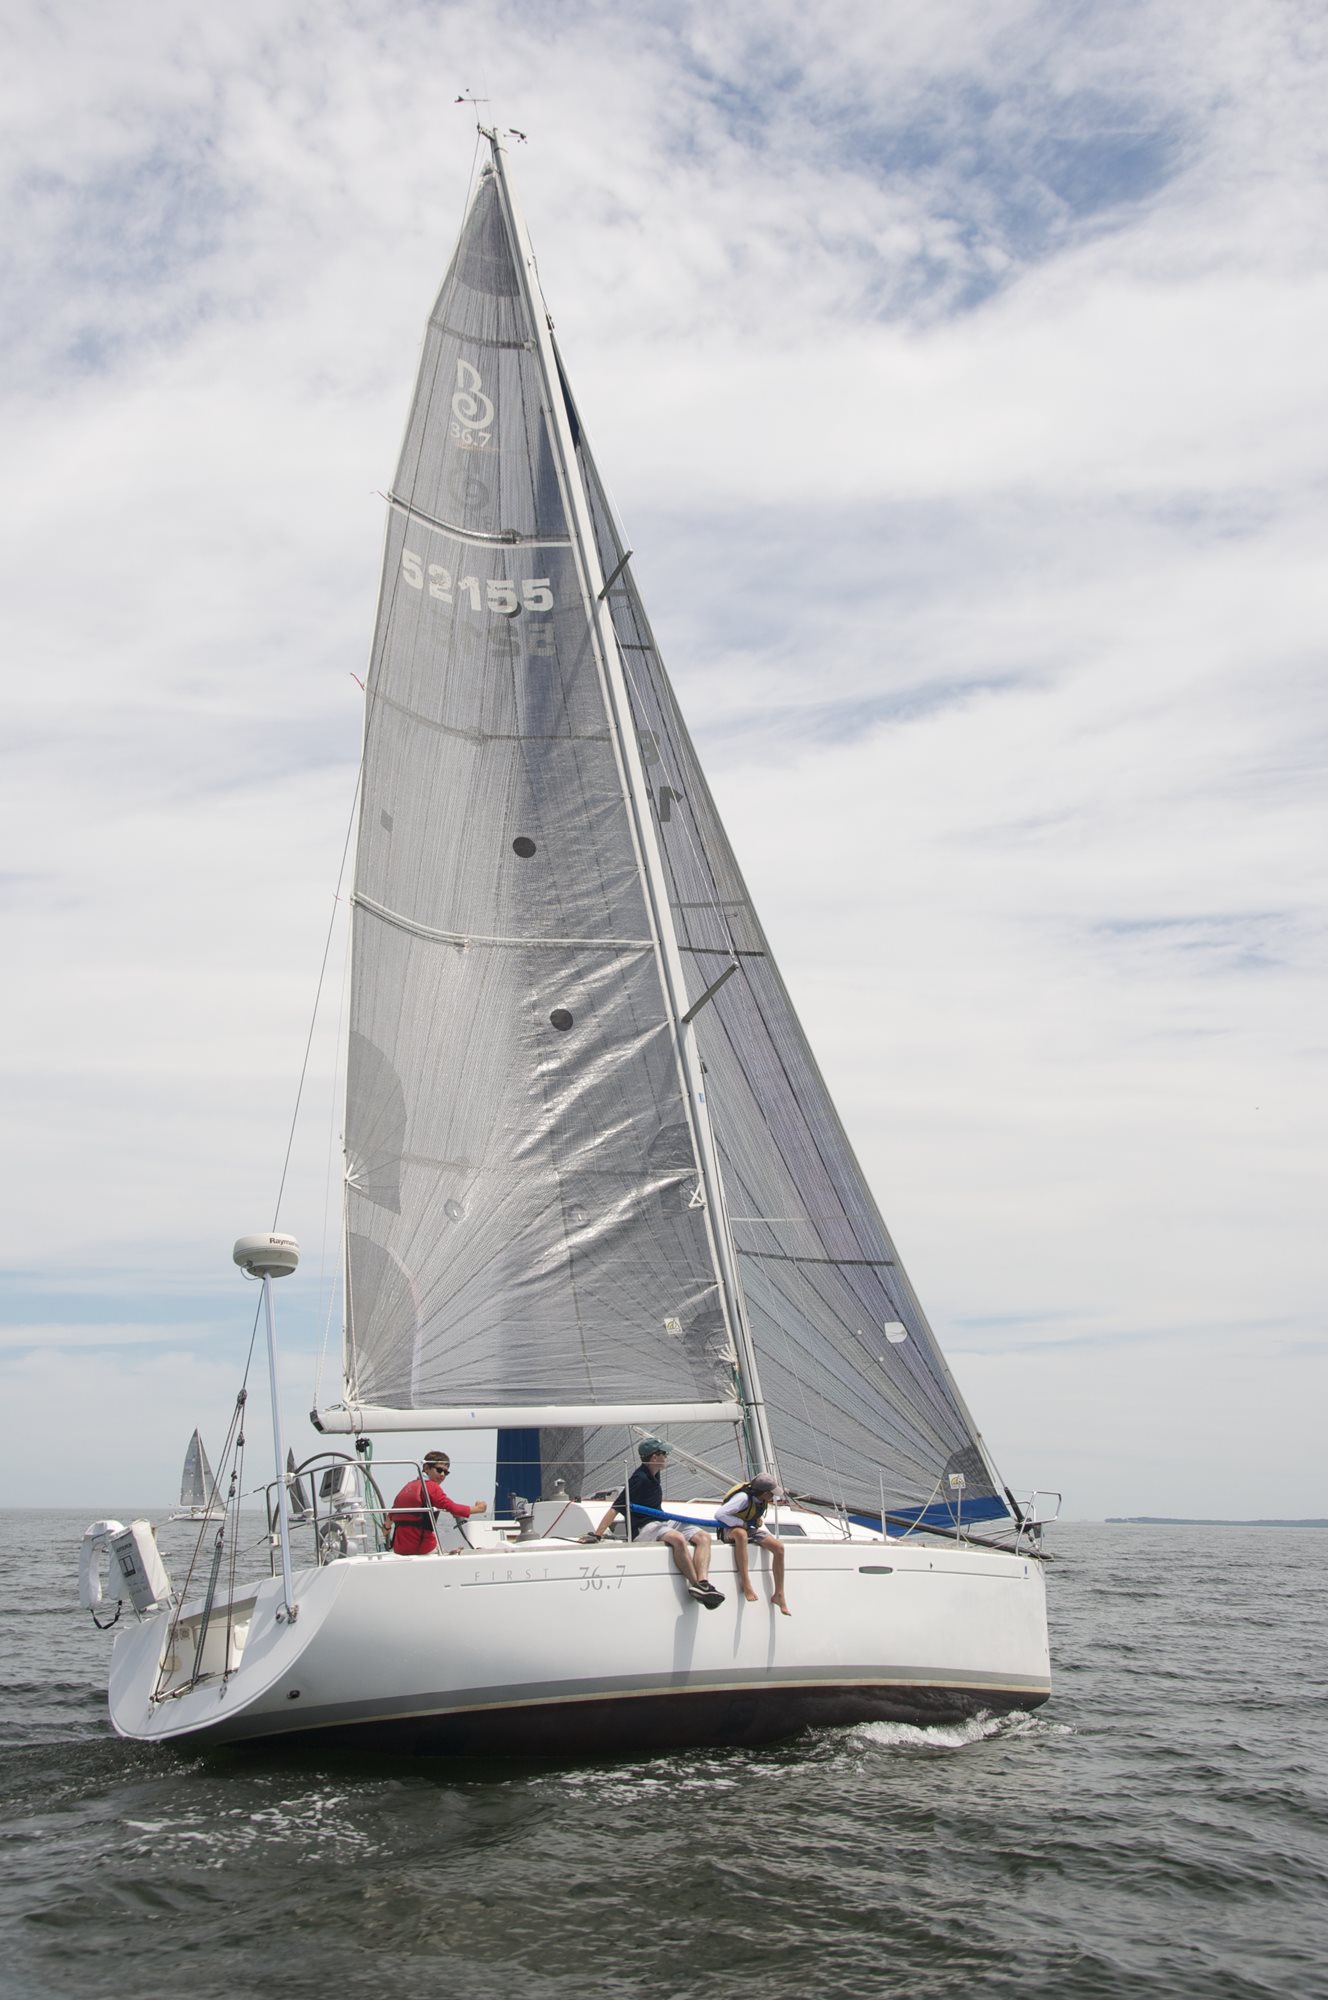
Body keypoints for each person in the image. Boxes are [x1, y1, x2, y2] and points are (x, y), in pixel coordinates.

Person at [585, 1439, 724, 1608]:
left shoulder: (655, 1474)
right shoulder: (639, 1479)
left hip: (661, 1521)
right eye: (664, 1453)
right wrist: (597, 1534)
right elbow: (616, 1508)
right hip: (644, 1527)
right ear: (654, 1457)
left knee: (703, 1537)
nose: (667, 1457)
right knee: (678, 1539)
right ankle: (696, 1585)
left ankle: (703, 1582)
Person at [714, 1474, 791, 1614]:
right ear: (765, 1493)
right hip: (730, 1529)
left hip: (748, 1528)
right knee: (741, 1535)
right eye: (771, 1493)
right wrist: (740, 1523)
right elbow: (720, 1514)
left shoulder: (760, 1499)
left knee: (778, 1547)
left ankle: (779, 1594)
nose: (773, 1496)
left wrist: (756, 1520)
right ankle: (746, 1582)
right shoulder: (742, 1498)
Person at [388, 1450, 487, 1555]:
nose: (442, 1475)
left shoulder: (407, 1487)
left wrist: (386, 1529)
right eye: (439, 1470)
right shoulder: (431, 1487)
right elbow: (452, 1508)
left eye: (446, 1472)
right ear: (426, 1468)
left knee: (446, 1551)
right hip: (422, 1549)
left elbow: (389, 1518)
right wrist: (479, 1508)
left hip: (399, 1550)